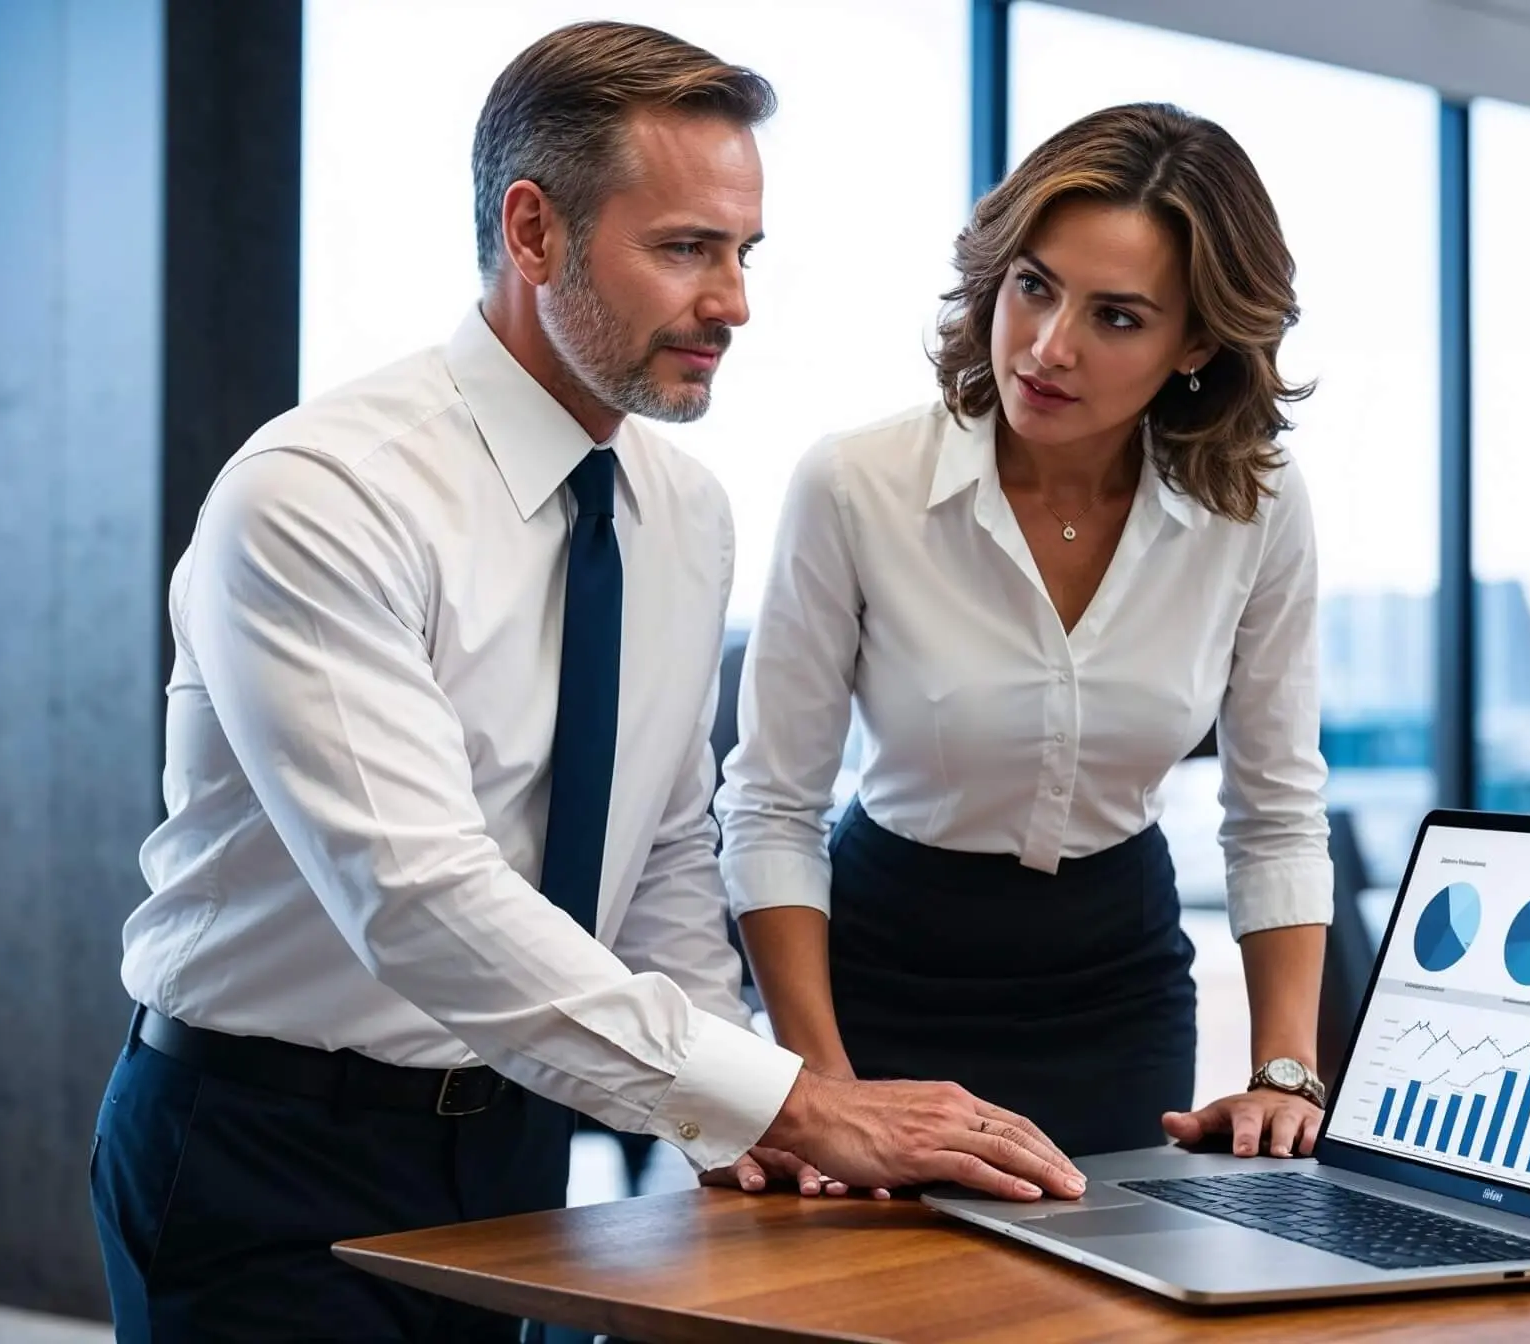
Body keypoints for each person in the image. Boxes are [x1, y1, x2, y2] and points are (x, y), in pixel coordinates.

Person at [89, 22, 1080, 1342]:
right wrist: (788, 1099)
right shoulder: (319, 496)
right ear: (534, 231)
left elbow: (663, 850)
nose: (733, 302)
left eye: (743, 252)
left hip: (517, 1140)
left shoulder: (683, 512)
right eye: (684, 249)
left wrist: (725, 1123)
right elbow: (421, 899)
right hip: (266, 1149)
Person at [717, 102, 1334, 1195]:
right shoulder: (857, 486)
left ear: (1195, 343)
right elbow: (770, 802)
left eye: (1118, 317)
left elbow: (1276, 806)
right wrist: (811, 1082)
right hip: (876, 979)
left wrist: (1285, 1071)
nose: (1049, 347)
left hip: (1117, 987)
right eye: (1034, 286)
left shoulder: (1256, 510)